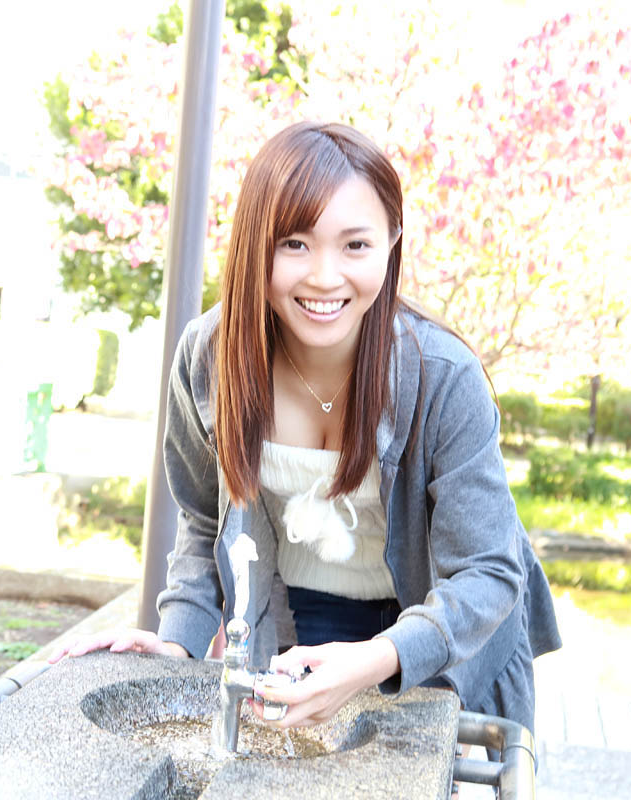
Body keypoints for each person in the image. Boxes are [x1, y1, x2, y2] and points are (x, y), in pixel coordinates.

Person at [48, 121, 561, 744]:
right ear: (254, 243)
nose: (324, 276)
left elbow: (486, 572)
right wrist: (177, 644)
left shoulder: (443, 375)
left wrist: (377, 657)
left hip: (442, 635)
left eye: (355, 245)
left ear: (392, 241)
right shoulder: (210, 356)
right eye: (294, 243)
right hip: (298, 622)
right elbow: (206, 522)